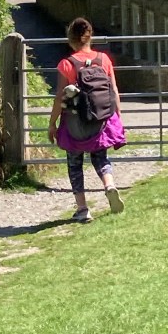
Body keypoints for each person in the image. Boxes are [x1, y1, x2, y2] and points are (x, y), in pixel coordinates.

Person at [48, 17, 126, 223]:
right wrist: (117, 119)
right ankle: (109, 185)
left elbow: (60, 97)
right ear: (90, 37)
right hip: (100, 121)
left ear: (70, 39)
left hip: (74, 124)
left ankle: (83, 209)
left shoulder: (66, 64)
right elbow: (113, 90)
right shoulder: (104, 60)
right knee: (100, 158)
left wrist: (52, 123)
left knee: (75, 164)